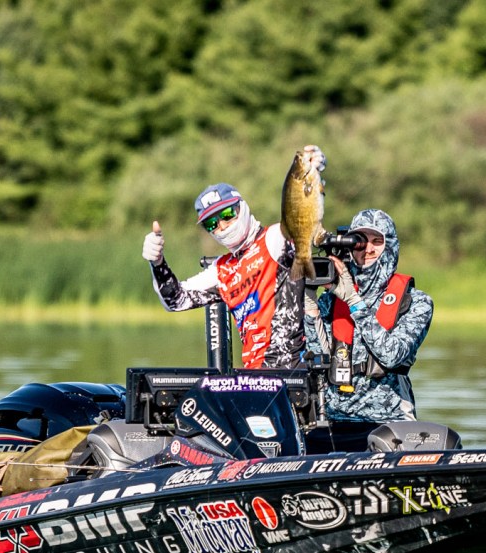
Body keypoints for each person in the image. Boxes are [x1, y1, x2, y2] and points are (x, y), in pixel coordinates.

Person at [141, 146, 326, 369]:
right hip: (253, 374)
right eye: (212, 223)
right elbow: (175, 301)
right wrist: (157, 262)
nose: (222, 226)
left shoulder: (274, 238)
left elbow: (301, 214)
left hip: (292, 371)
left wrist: (312, 170)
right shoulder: (221, 270)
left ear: (242, 207)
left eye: (228, 214)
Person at [303, 208, 433, 448]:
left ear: (390, 245)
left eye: (377, 241)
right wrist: (310, 307)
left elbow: (392, 355)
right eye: (359, 242)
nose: (368, 249)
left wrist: (354, 301)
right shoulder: (332, 298)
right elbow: (317, 355)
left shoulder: (416, 302)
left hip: (389, 422)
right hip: (336, 421)